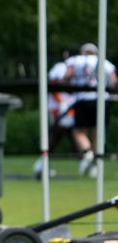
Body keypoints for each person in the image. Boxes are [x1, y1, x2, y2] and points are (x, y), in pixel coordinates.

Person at [63, 43, 117, 177]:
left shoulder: (75, 61)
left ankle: (87, 154)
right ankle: (95, 163)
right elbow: (114, 80)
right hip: (101, 99)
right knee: (97, 132)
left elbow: (66, 77)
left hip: (82, 99)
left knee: (78, 131)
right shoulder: (104, 62)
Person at [32, 49, 77, 179]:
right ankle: (42, 163)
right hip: (58, 108)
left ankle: (43, 163)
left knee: (70, 133)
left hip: (69, 107)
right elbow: (53, 85)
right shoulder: (60, 68)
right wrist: (61, 103)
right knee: (57, 133)